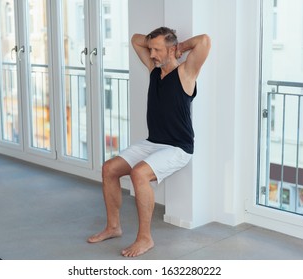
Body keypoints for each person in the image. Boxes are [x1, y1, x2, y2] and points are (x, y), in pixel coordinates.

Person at [87, 27, 211, 257]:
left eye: (157, 50)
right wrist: (156, 43)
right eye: (151, 49)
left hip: (178, 147)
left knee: (139, 174)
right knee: (109, 169)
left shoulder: (186, 73)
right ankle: (113, 227)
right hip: (153, 141)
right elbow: (135, 40)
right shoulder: (154, 70)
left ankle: (145, 238)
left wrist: (180, 48)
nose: (151, 54)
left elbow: (204, 41)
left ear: (172, 49)